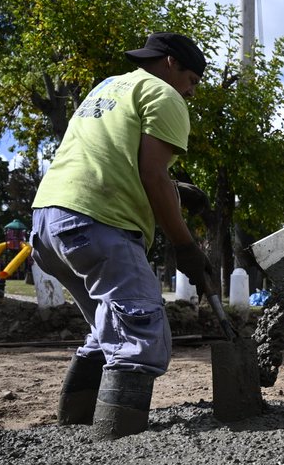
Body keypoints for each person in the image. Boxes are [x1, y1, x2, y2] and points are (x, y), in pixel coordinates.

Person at [30, 31, 216, 439]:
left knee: (109, 326)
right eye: (193, 79)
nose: (191, 90)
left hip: (49, 223)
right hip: (97, 223)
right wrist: (186, 246)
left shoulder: (108, 87)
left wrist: (176, 191)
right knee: (141, 333)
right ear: (172, 64)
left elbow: (110, 156)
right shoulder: (164, 95)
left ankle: (75, 426)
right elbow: (153, 174)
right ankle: (117, 442)